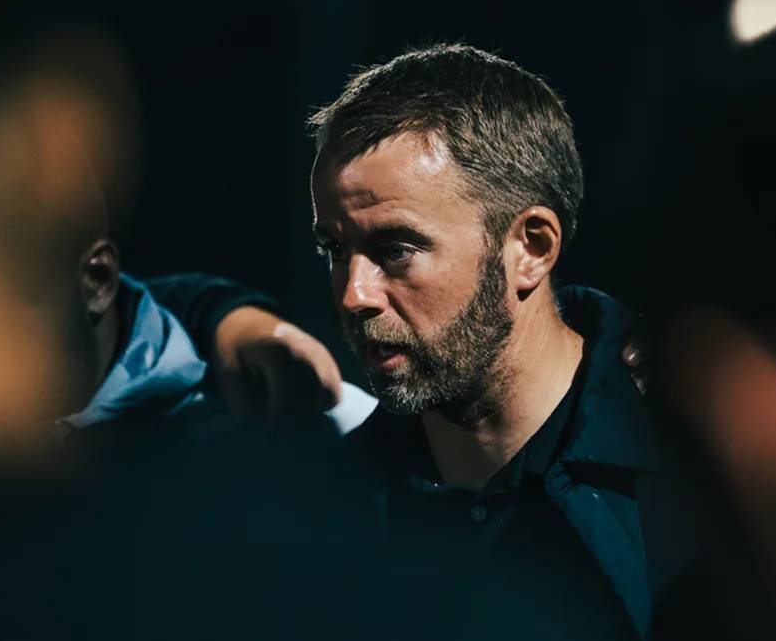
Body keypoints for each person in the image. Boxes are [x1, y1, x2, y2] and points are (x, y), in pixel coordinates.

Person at [293, 44, 694, 640]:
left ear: (531, 247)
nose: (355, 294)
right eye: (335, 250)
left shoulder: (687, 469)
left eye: (395, 249)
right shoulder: (321, 511)